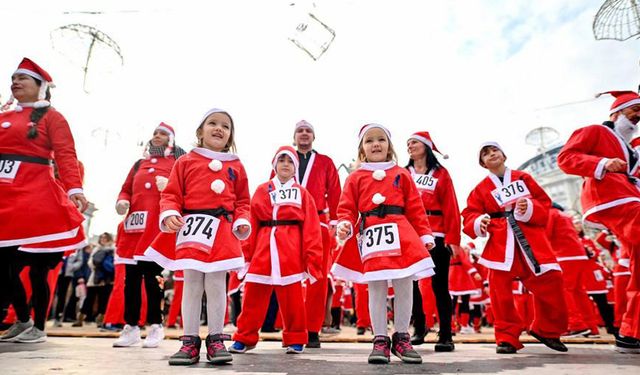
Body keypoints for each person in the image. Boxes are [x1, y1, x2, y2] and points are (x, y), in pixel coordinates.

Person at [144, 108, 250, 365]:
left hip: (222, 230)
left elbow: (243, 200)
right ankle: (189, 341)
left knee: (216, 284)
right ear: (199, 132)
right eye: (213, 123)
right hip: (191, 227)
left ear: (230, 136)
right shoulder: (186, 161)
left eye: (225, 126)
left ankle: (215, 339)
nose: (219, 128)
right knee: (191, 284)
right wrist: (168, 213)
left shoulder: (235, 164)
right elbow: (171, 194)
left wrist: (242, 221)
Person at [0, 58, 87, 344]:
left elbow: (66, 154)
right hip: (4, 198)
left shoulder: (52, 117)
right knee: (5, 266)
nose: (15, 82)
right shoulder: (3, 116)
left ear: (41, 87)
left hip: (33, 200)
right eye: (13, 78)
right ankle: (23, 320)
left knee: (30, 270)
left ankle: (36, 325)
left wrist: (74, 189)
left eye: (23, 78)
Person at [334, 123, 436, 364]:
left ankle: (402, 337)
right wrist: (344, 224)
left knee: (405, 284)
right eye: (369, 141)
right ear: (362, 149)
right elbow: (346, 207)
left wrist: (425, 235)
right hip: (371, 234)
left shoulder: (402, 174)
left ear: (389, 145)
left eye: (381, 139)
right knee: (376, 287)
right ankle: (380, 339)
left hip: (402, 233)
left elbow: (415, 208)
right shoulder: (355, 177)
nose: (376, 144)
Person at [461, 142, 568, 354]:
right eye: (485, 154)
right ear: (482, 163)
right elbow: (469, 214)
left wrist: (528, 207)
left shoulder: (523, 178)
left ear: (504, 155)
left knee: (552, 280)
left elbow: (544, 204)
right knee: (500, 293)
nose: (491, 154)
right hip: (500, 244)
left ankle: (546, 329)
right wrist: (479, 222)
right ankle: (507, 337)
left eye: (494, 150)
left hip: (530, 240)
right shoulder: (480, 189)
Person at [557, 90, 640, 353]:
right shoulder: (596, 131)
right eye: (634, 110)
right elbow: (566, 159)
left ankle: (631, 334)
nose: (638, 115)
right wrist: (603, 162)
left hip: (629, 198)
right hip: (612, 198)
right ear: (616, 113)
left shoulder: (630, 147)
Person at [230, 145, 323, 354]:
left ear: (295, 167)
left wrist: (312, 259)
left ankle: (296, 337)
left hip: (290, 248)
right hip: (263, 246)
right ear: (274, 164)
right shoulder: (263, 189)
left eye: (290, 161)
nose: (286, 165)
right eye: (282, 160)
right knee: (253, 294)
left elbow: (311, 228)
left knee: (293, 298)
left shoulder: (302, 193)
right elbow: (251, 222)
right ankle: (245, 337)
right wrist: (246, 256)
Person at [112, 122, 185, 348]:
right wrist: (122, 200)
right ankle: (131, 326)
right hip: (134, 228)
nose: (157, 136)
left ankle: (155, 325)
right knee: (130, 281)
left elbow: (187, 188)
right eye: (155, 133)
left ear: (171, 139)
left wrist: (171, 186)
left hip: (155, 228)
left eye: (162, 133)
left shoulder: (177, 162)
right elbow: (126, 187)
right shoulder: (139, 163)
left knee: (153, 279)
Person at [406, 131, 460, 350]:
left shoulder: (441, 173)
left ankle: (446, 335)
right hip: (410, 234)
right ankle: (419, 328)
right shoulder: (403, 172)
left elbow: (451, 206)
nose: (410, 146)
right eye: (408, 143)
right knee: (411, 285)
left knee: (440, 286)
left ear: (426, 147)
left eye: (414, 143)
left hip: (436, 233)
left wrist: (453, 238)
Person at [290, 120, 342, 348]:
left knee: (318, 278)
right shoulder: (284, 159)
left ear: (313, 137)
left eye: (308, 131)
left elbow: (335, 192)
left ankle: (312, 329)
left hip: (319, 221)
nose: (304, 134)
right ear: (294, 137)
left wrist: (336, 220)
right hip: (288, 222)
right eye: (300, 131)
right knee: (288, 276)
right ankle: (293, 329)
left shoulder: (325, 162)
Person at [74, 232, 115, 327]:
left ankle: (100, 320)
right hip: (95, 277)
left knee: (103, 300)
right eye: (101, 238)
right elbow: (90, 262)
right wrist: (97, 268)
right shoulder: (96, 248)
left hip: (107, 278)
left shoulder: (113, 249)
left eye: (105, 238)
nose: (103, 239)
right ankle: (80, 318)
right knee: (89, 298)